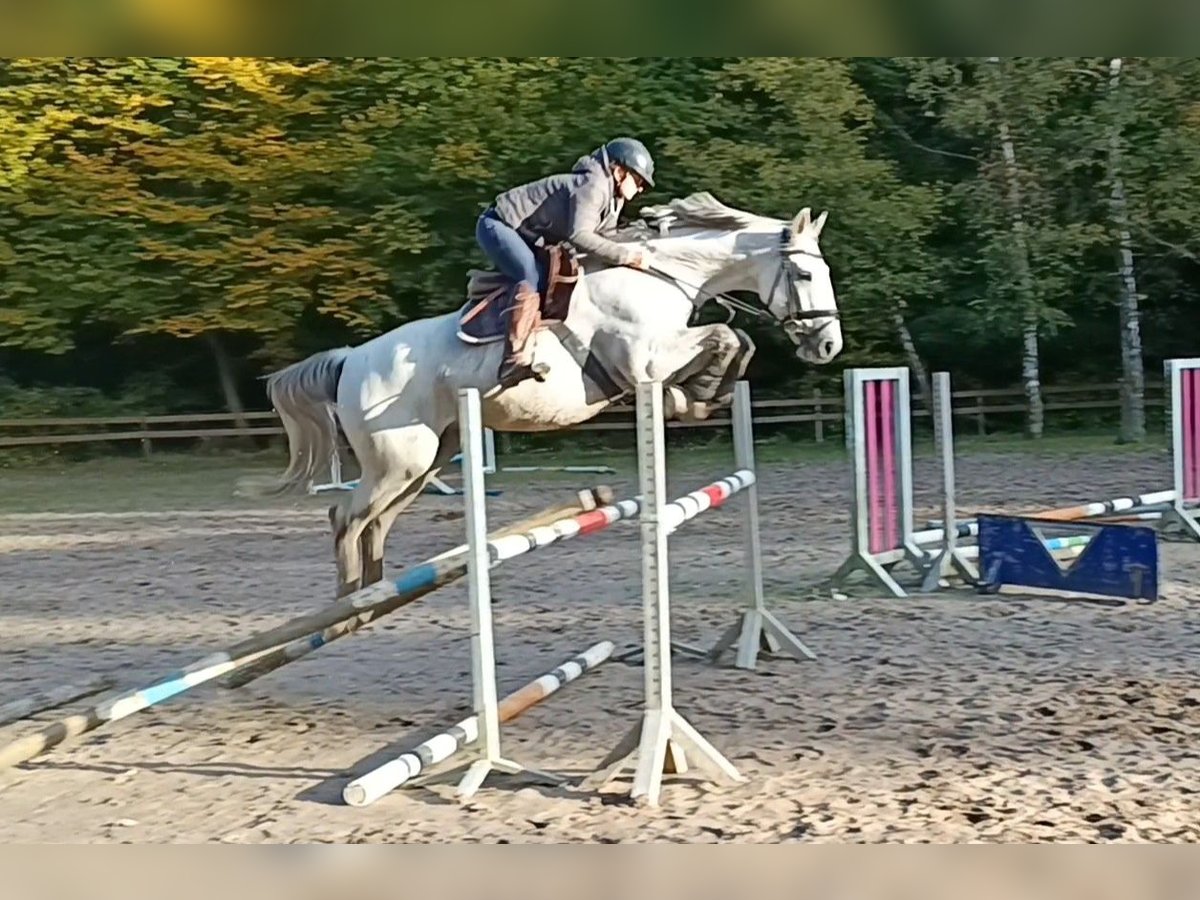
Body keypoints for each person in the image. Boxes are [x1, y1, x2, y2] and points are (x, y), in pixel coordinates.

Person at [475, 137, 656, 386]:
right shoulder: (593, 186)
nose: (641, 188)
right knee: (531, 275)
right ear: (618, 171)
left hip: (527, 235)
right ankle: (512, 361)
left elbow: (604, 240)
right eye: (638, 180)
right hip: (499, 224)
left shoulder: (612, 200)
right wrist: (627, 256)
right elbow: (580, 236)